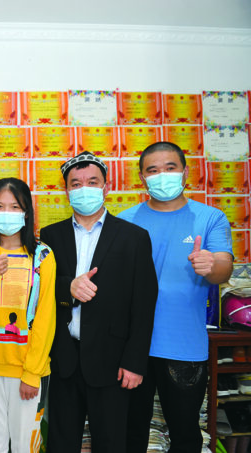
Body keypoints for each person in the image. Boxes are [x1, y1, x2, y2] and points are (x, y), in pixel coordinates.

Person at [118, 141, 234, 453]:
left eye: (170, 168)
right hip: (133, 348)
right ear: (142, 178)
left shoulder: (210, 218)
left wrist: (211, 265)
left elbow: (223, 268)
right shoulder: (124, 221)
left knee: (185, 436)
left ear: (185, 171)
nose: (162, 175)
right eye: (153, 170)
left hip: (184, 347)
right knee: (131, 435)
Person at [40, 151, 158, 453]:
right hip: (64, 360)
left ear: (107, 187)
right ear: (66, 190)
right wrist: (68, 287)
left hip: (113, 362)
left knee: (111, 443)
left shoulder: (133, 237)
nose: (84, 189)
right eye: (76, 183)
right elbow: (41, 289)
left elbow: (144, 304)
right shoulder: (50, 236)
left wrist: (134, 363)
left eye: (92, 182)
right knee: (61, 443)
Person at [0, 177, 57, 453]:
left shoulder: (42, 256)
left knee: (26, 446)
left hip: (27, 370)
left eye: (15, 207)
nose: (7, 213)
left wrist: (32, 373)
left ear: (26, 213)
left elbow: (45, 319)